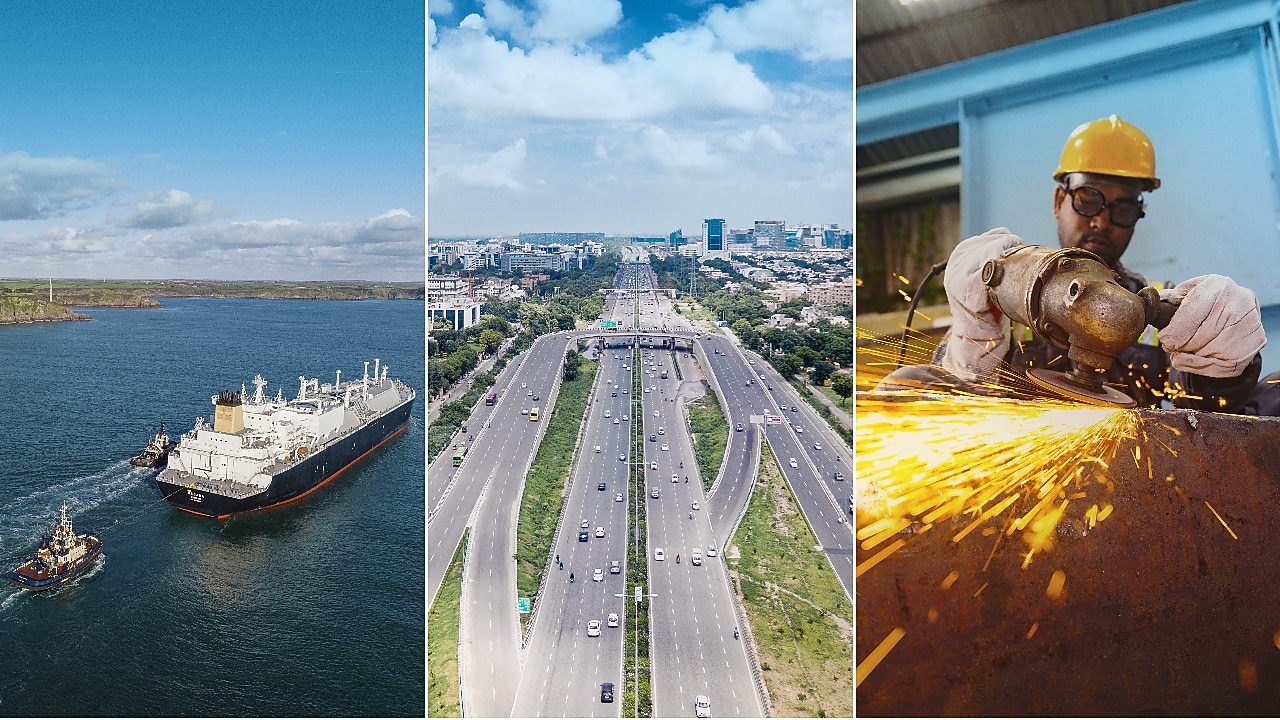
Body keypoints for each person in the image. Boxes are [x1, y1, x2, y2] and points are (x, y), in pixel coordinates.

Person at [878, 115, 1270, 413]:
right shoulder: (1003, 293)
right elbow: (948, 409)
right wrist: (972, 348)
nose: (1101, 220)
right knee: (903, 387)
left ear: (1138, 214)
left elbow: (1207, 415)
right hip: (1017, 480)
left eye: (1122, 207)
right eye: (1087, 198)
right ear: (1058, 201)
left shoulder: (1175, 317)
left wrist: (1222, 369)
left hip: (1134, 488)